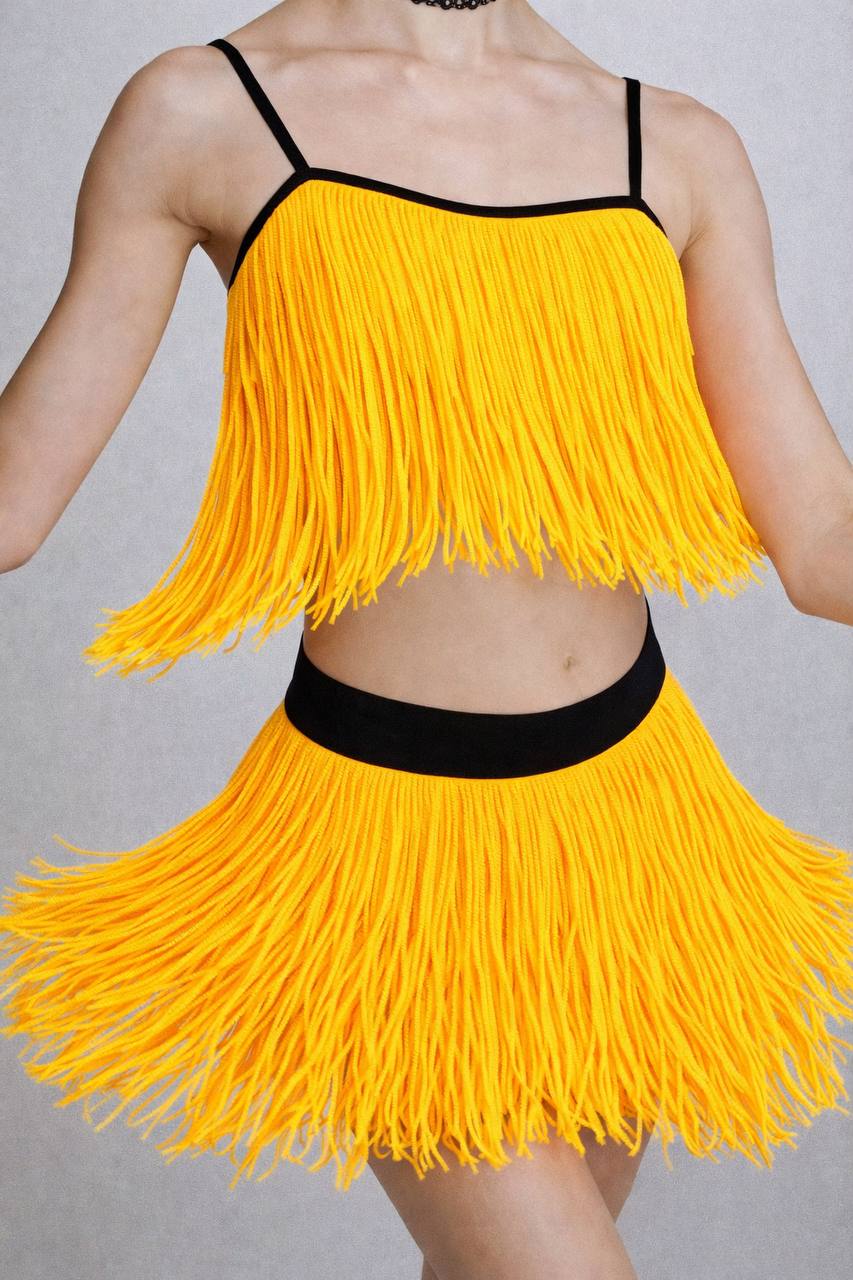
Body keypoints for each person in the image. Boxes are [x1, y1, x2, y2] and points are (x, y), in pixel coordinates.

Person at [1, 4, 851, 1279]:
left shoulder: (674, 144)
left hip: (634, 826)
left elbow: (821, 534)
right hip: (387, 844)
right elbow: (13, 499)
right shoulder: (202, 110)